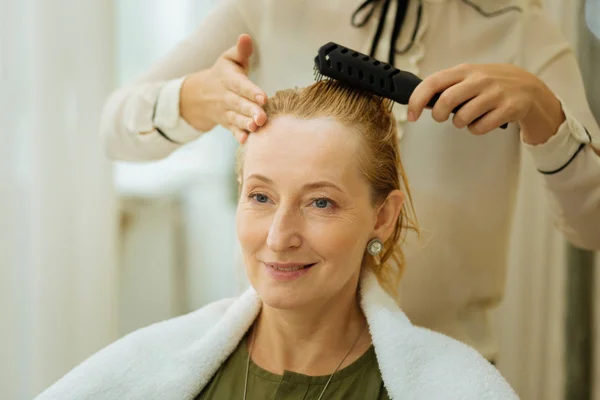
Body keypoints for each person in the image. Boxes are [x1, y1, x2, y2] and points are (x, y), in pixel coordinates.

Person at [100, 0, 600, 362]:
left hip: (444, 367)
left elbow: (592, 226)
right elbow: (114, 130)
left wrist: (545, 114)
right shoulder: (269, 9)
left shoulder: (521, 30)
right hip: (280, 358)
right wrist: (193, 98)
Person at [36, 80, 518, 400]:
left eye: (320, 203)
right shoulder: (147, 368)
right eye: (261, 196)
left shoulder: (451, 385)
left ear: (382, 217)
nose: (279, 235)